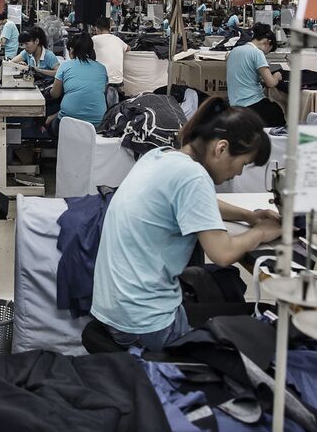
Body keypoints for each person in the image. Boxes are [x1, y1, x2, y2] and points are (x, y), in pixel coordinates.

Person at [91, 98, 281, 350]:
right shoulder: (193, 176)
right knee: (260, 336)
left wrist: (249, 216)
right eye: (243, 164)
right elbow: (222, 253)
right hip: (147, 323)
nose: (238, 174)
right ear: (221, 148)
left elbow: (200, 204)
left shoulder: (161, 157)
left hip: (115, 310)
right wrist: (260, 232)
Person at [48, 32, 109, 135]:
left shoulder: (65, 66)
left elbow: (55, 94)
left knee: (51, 122)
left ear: (71, 49)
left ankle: (60, 149)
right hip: (97, 124)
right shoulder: (102, 69)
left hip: (68, 123)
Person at [226, 23, 285, 127]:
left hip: (234, 104)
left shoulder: (234, 51)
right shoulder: (257, 53)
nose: (266, 54)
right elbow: (271, 83)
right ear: (267, 42)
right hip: (252, 104)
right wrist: (277, 76)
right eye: (268, 51)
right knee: (277, 110)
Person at [92, 18, 130, 87]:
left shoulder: (94, 39)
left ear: (96, 28)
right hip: (118, 81)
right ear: (110, 28)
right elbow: (128, 48)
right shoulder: (117, 39)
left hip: (102, 81)